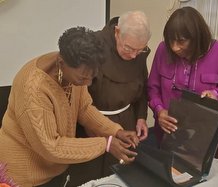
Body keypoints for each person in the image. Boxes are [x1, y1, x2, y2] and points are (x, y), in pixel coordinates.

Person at [0, 26, 139, 187]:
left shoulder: (76, 67)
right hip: (23, 176)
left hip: (55, 168)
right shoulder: (33, 89)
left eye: (91, 78)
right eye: (82, 79)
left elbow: (84, 108)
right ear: (61, 63)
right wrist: (105, 144)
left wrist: (116, 131)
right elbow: (52, 146)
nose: (87, 83)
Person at [147, 6, 218, 145]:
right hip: (167, 131)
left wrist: (215, 93)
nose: (174, 47)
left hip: (202, 135)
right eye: (170, 40)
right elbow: (152, 88)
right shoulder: (163, 49)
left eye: (181, 41)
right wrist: (159, 111)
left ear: (197, 37)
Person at [85, 10, 151, 176]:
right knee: (92, 175)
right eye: (128, 48)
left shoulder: (137, 52)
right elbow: (80, 100)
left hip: (126, 123)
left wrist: (141, 117)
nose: (134, 55)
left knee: (121, 174)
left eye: (139, 50)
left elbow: (142, 87)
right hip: (92, 124)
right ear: (117, 32)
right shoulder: (93, 46)